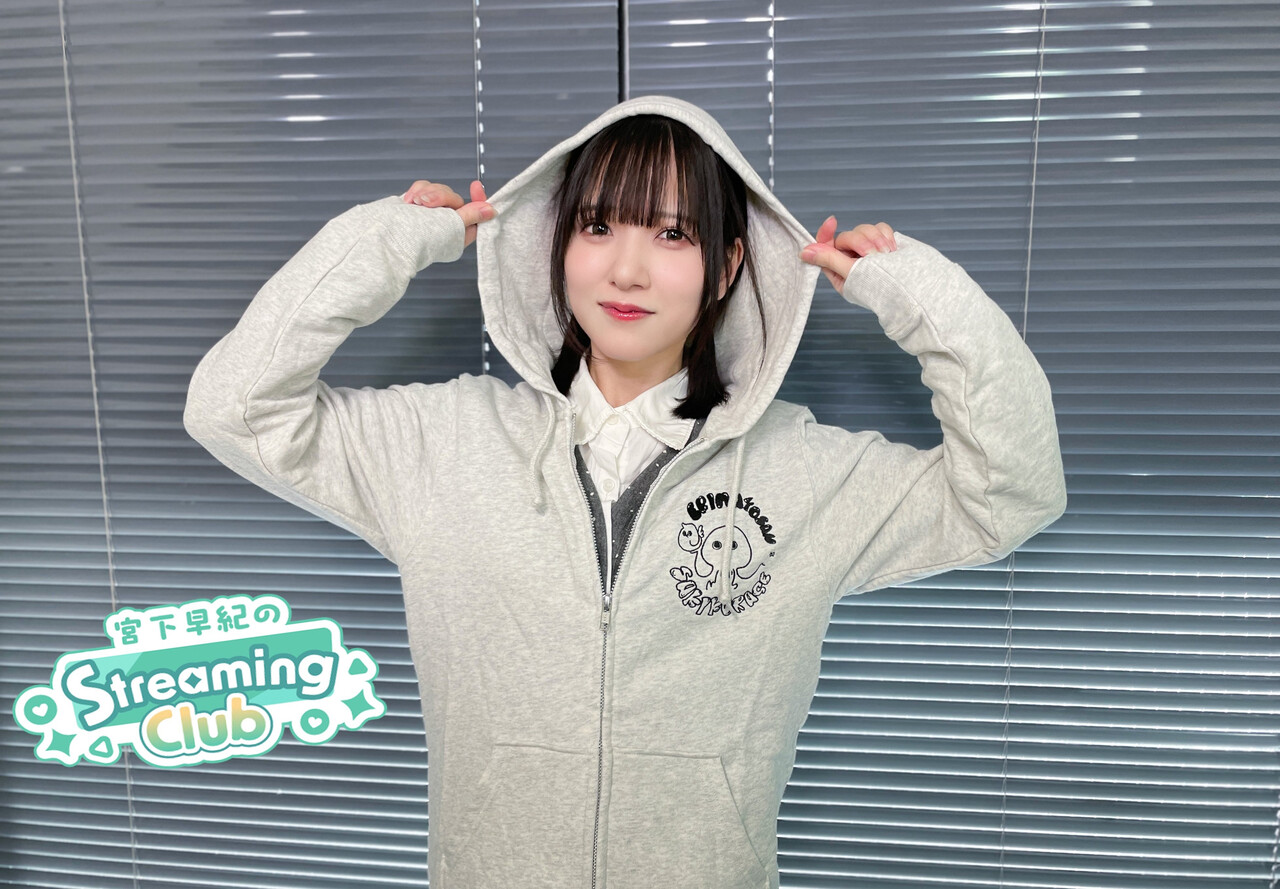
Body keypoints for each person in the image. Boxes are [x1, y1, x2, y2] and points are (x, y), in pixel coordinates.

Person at [184, 95, 1067, 889]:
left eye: (672, 235)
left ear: (727, 265)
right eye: (599, 226)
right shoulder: (441, 442)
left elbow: (1010, 493)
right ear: (557, 245)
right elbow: (235, 407)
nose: (627, 271)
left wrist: (918, 294)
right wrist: (388, 239)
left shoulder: (804, 471)